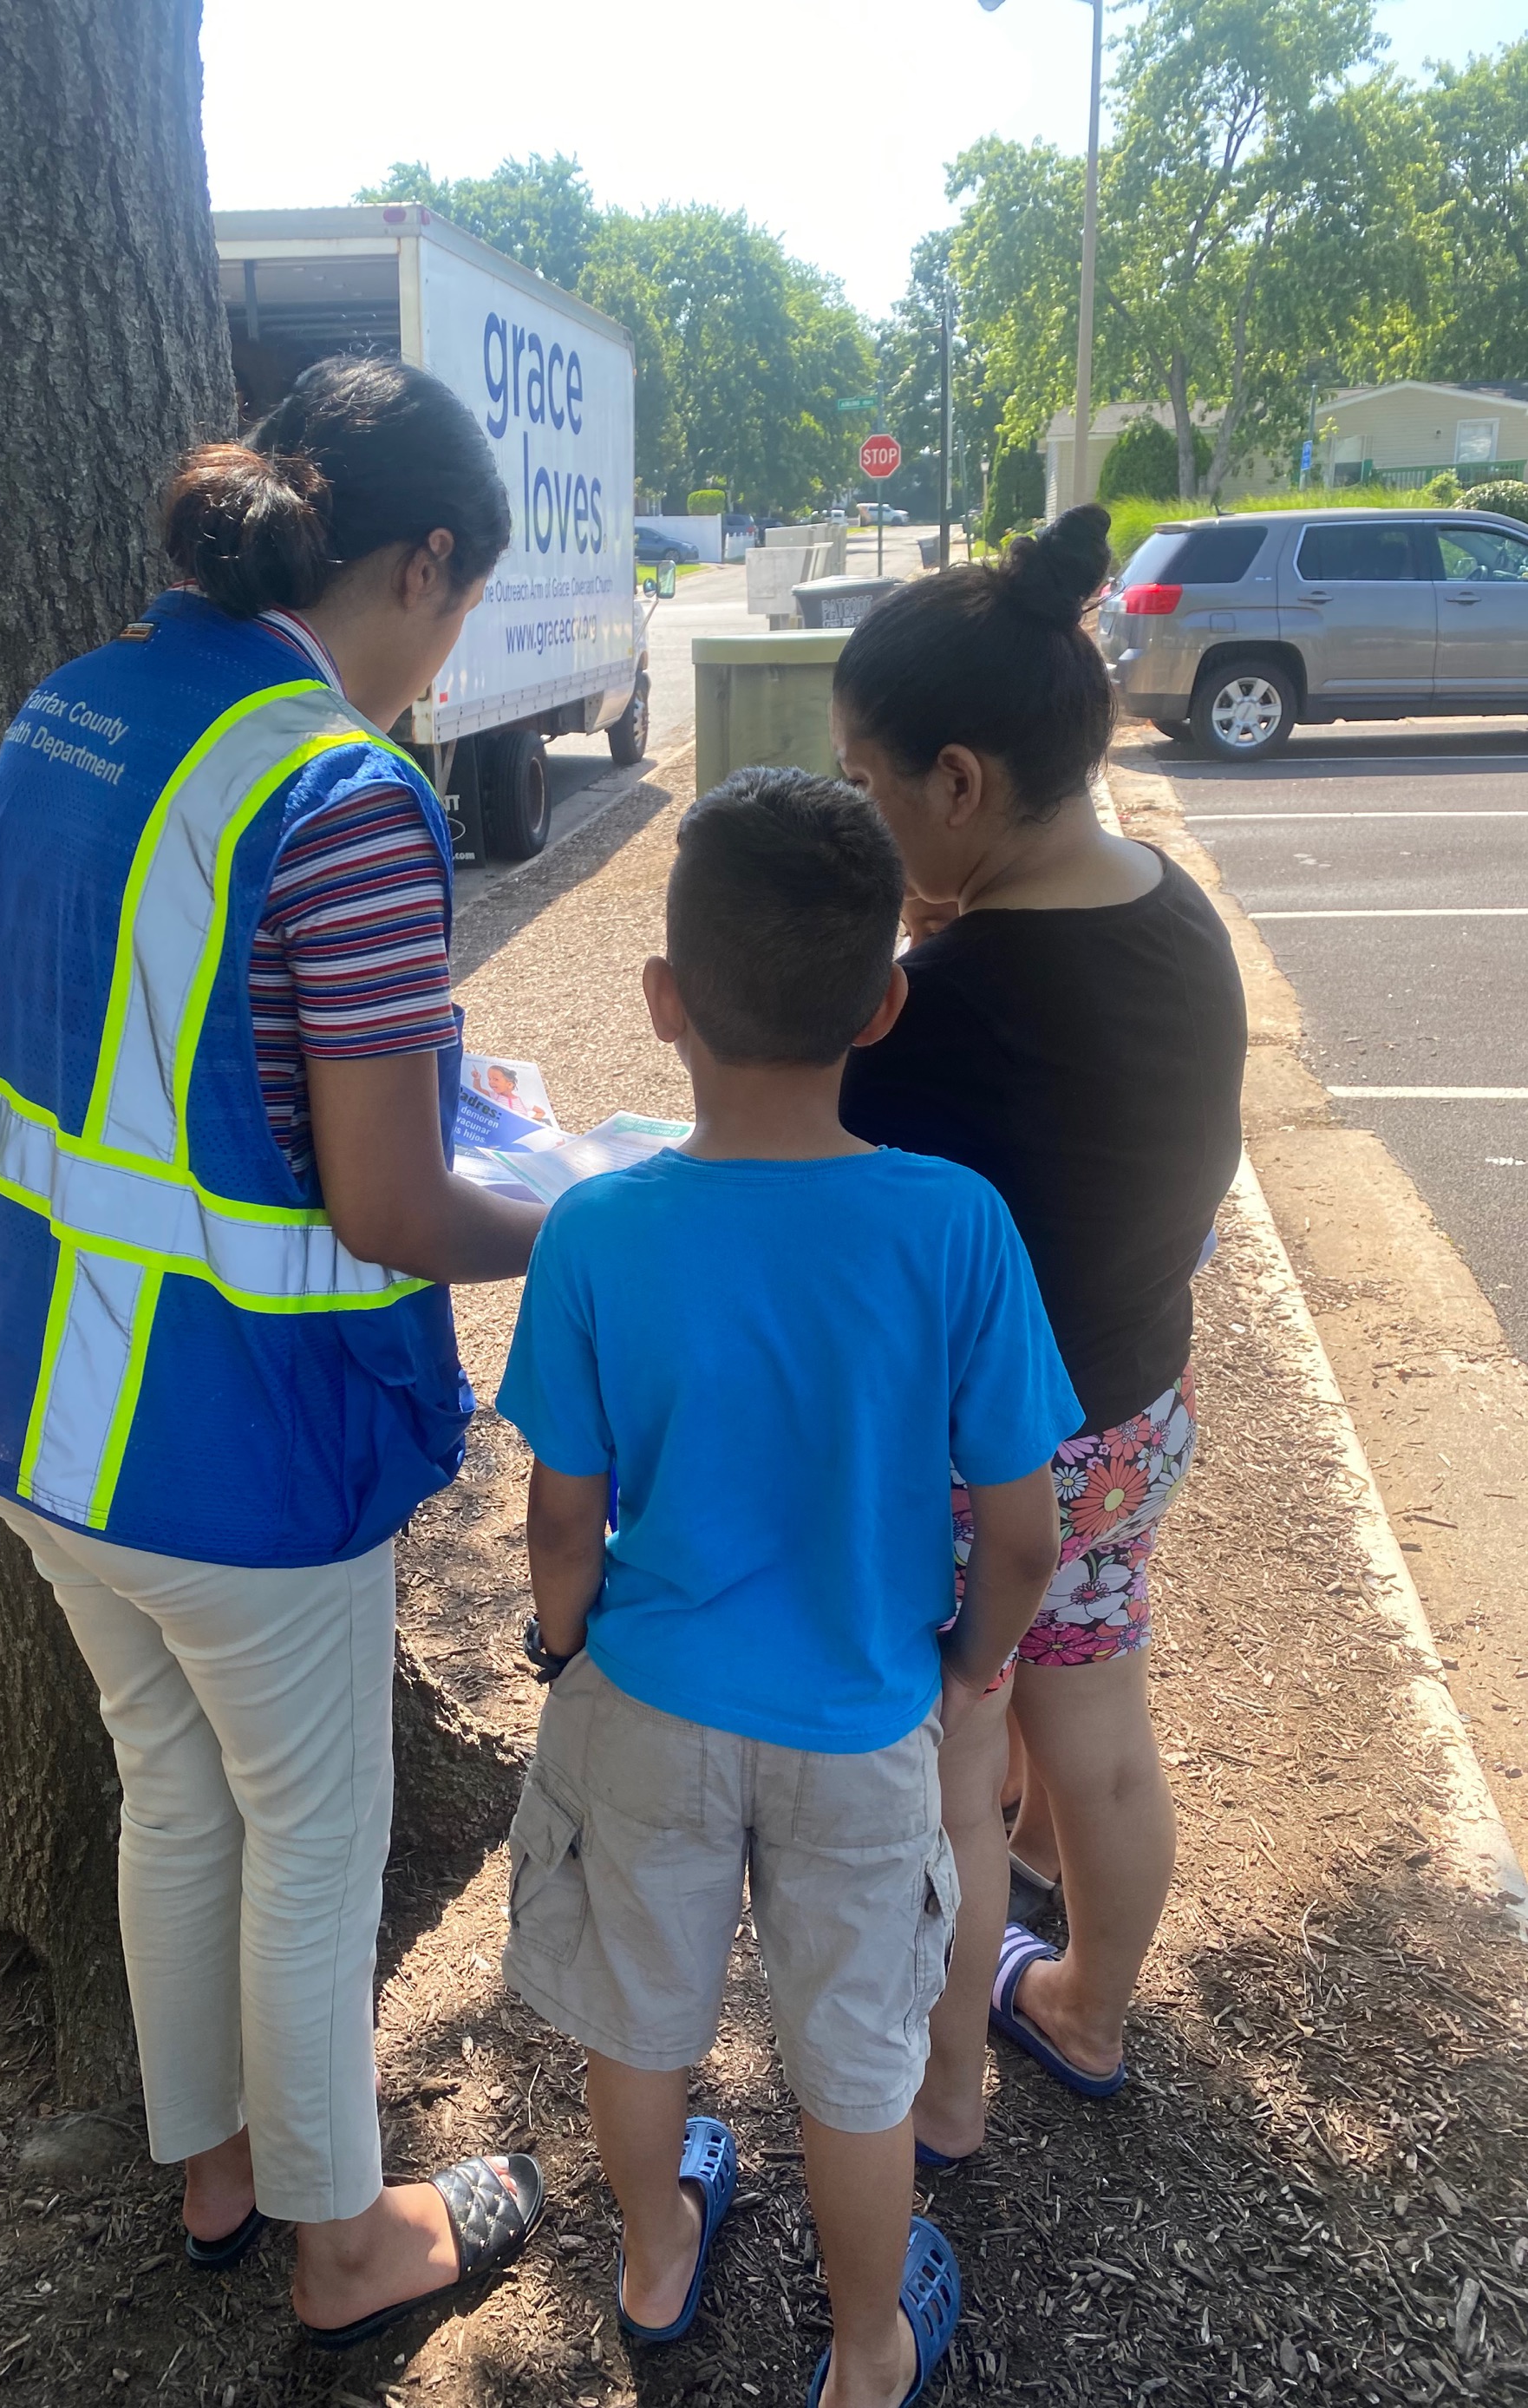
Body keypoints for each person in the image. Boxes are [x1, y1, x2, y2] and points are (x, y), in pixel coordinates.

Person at [0, 357, 552, 2345]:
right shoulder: (343, 787)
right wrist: (592, 1210)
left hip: (25, 1404)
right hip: (227, 1441)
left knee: (172, 1781)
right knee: (317, 1826)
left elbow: (153, 1035)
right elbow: (395, 1208)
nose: (443, 659)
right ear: (418, 562)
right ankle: (341, 2233)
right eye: (460, 608)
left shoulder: (83, 700)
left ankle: (211, 2164)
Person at [494, 769, 1081, 2408]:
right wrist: (970, 1669)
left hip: (650, 1697)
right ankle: (871, 2346)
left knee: (638, 2018)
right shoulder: (953, 1225)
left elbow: (561, 1522)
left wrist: (560, 1646)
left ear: (662, 1003)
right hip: (862, 1714)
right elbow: (1023, 1538)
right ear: (884, 1004)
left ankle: (657, 2255)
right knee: (854, 2059)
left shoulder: (596, 1230)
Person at [833, 504, 1247, 2153]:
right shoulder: (1175, 914)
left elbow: (850, 1205)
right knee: (1103, 1713)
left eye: (870, 783)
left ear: (956, 783)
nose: (866, 817)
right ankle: (1093, 2001)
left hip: (998, 1462)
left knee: (977, 1713)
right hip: (1136, 1406)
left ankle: (965, 2046)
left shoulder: (947, 1010)